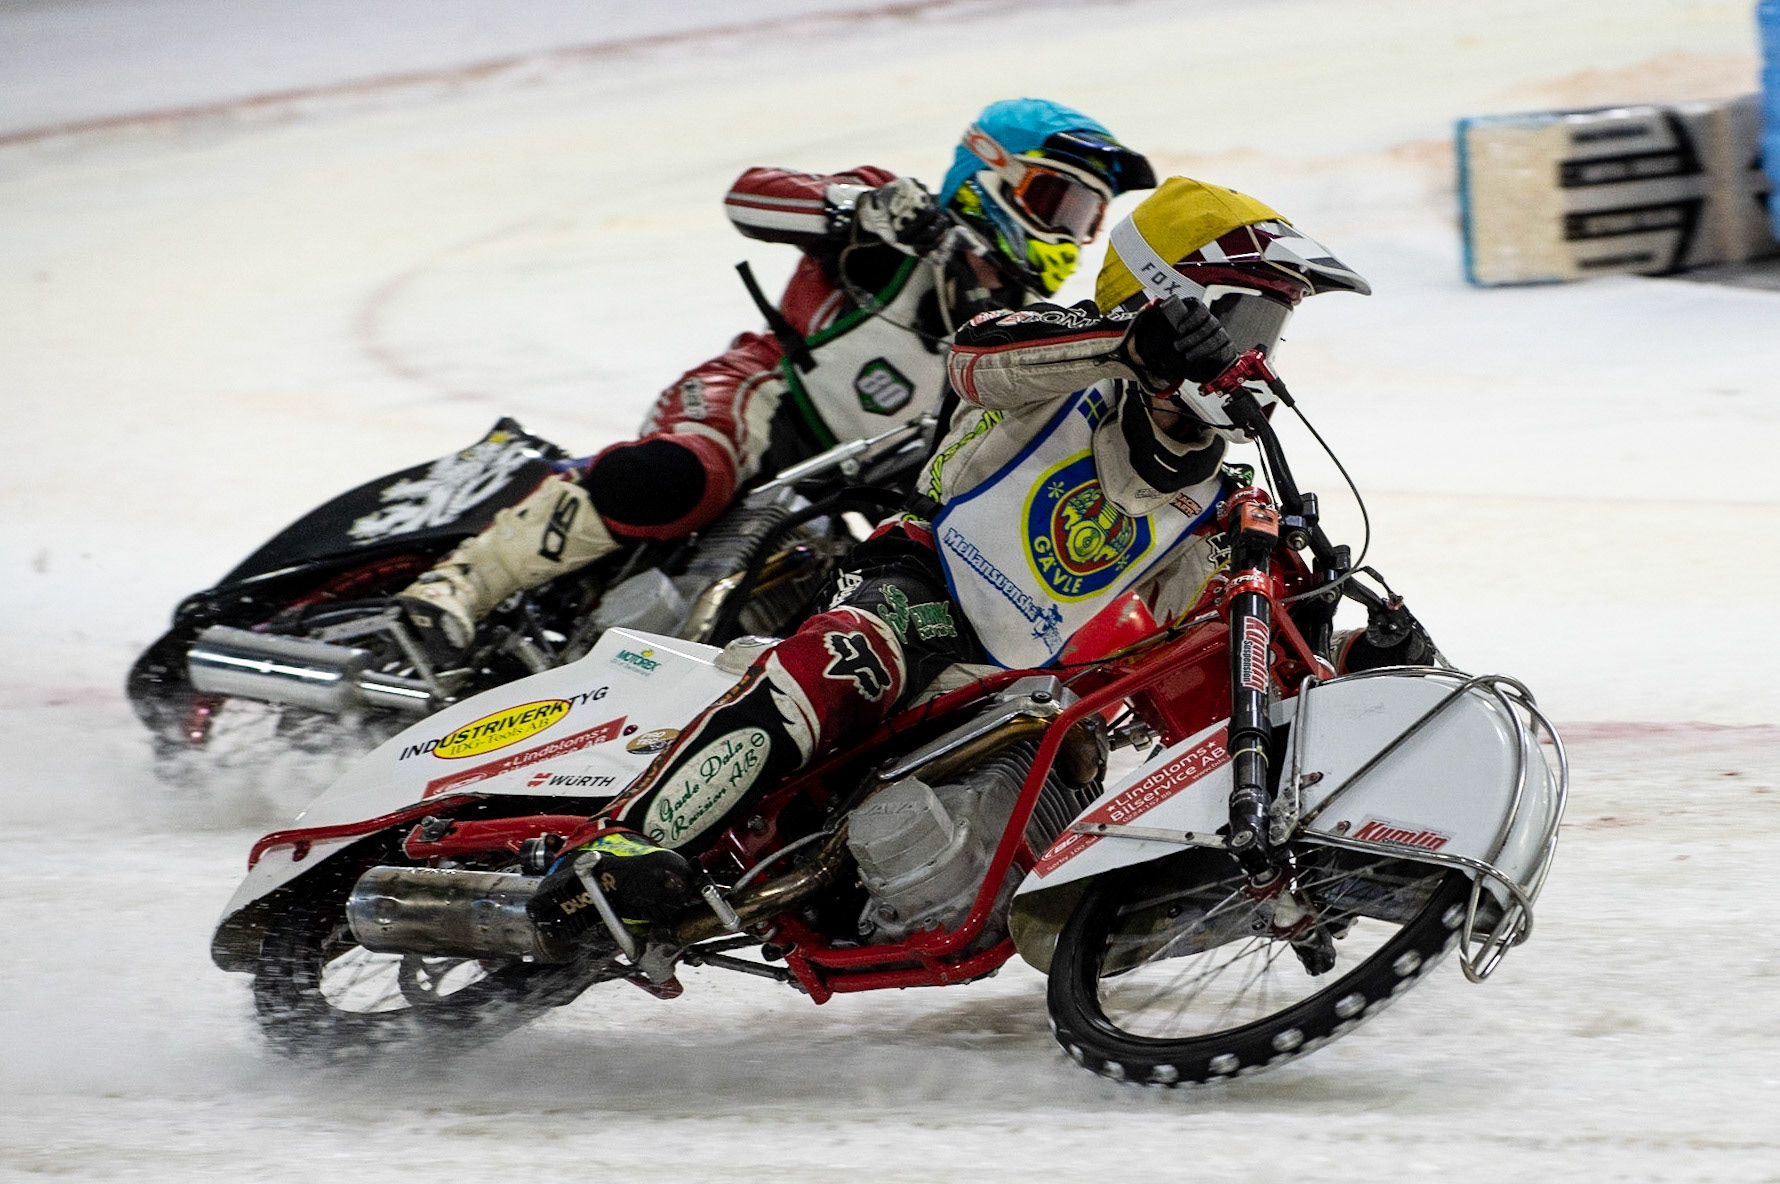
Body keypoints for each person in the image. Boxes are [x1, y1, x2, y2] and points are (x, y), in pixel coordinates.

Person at [527, 175, 1434, 935]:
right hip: (918, 590)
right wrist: (1131, 344)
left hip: (1009, 683)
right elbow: (976, 359)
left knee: (1080, 744)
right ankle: (619, 849)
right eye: (1239, 324)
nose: (1251, 357)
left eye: (1268, 336)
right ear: (1170, 297)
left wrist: (1359, 665)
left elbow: (1216, 661)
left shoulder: (1208, 498)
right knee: (856, 649)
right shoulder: (1055, 364)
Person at [397, 98, 1156, 657]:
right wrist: (859, 208)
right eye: (1056, 200)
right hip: (760, 395)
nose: (1068, 232)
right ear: (989, 171)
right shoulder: (895, 214)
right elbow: (750, 194)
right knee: (684, 475)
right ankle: (453, 588)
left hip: (847, 493)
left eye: (1087, 216)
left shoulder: (1023, 338)